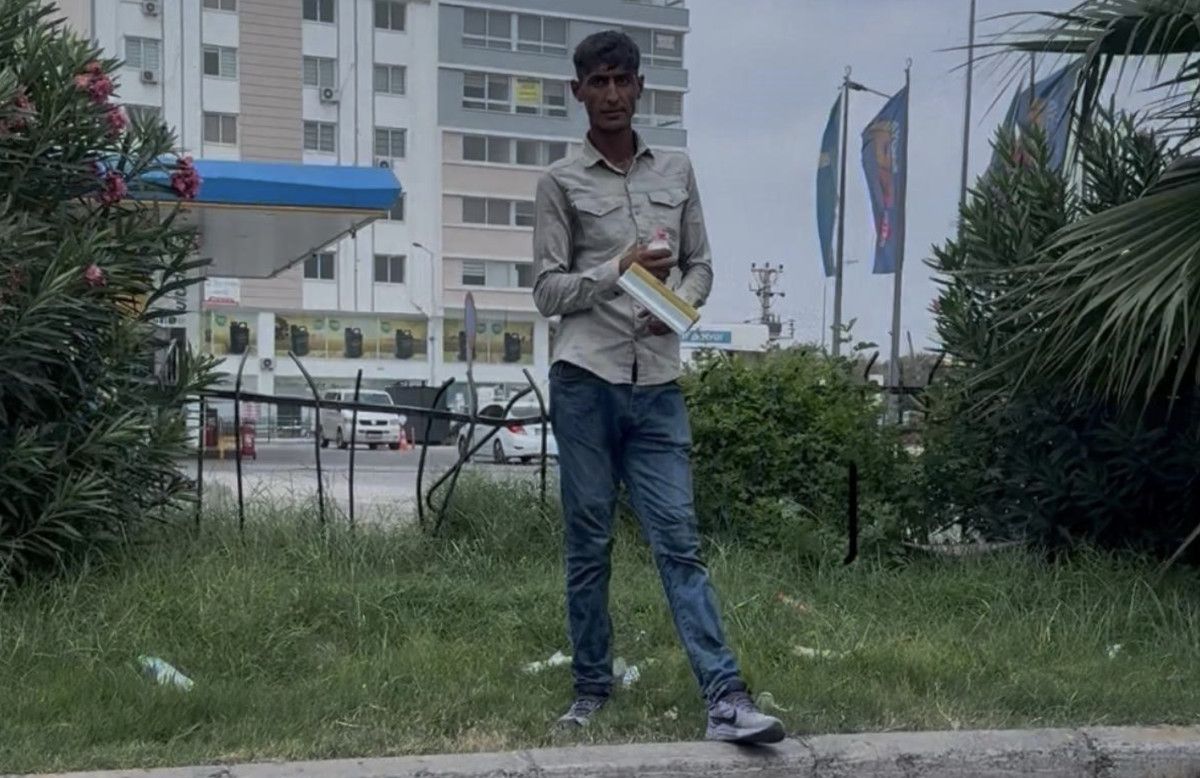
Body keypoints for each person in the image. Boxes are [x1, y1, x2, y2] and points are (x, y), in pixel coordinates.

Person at [531, 30, 785, 745]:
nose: (612, 94)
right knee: (589, 544)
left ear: (641, 87)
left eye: (623, 80)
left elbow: (700, 264)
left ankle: (726, 699)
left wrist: (678, 306)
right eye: (599, 82)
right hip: (585, 380)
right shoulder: (559, 182)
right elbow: (547, 291)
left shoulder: (677, 169)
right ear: (578, 91)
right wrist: (619, 268)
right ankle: (590, 689)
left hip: (659, 383)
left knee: (679, 541)